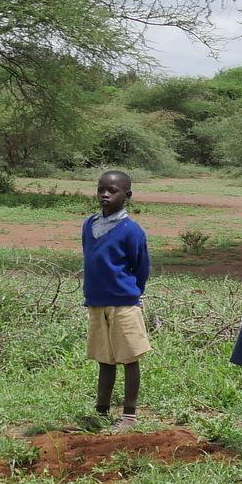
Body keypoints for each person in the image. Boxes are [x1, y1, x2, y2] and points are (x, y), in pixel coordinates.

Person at [81, 169, 152, 431]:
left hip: (123, 303)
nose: (105, 194)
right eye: (101, 189)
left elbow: (141, 267)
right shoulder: (89, 225)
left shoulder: (131, 231)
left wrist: (132, 294)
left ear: (127, 195)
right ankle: (101, 412)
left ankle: (130, 416)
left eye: (112, 190)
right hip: (97, 302)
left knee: (129, 357)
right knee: (105, 358)